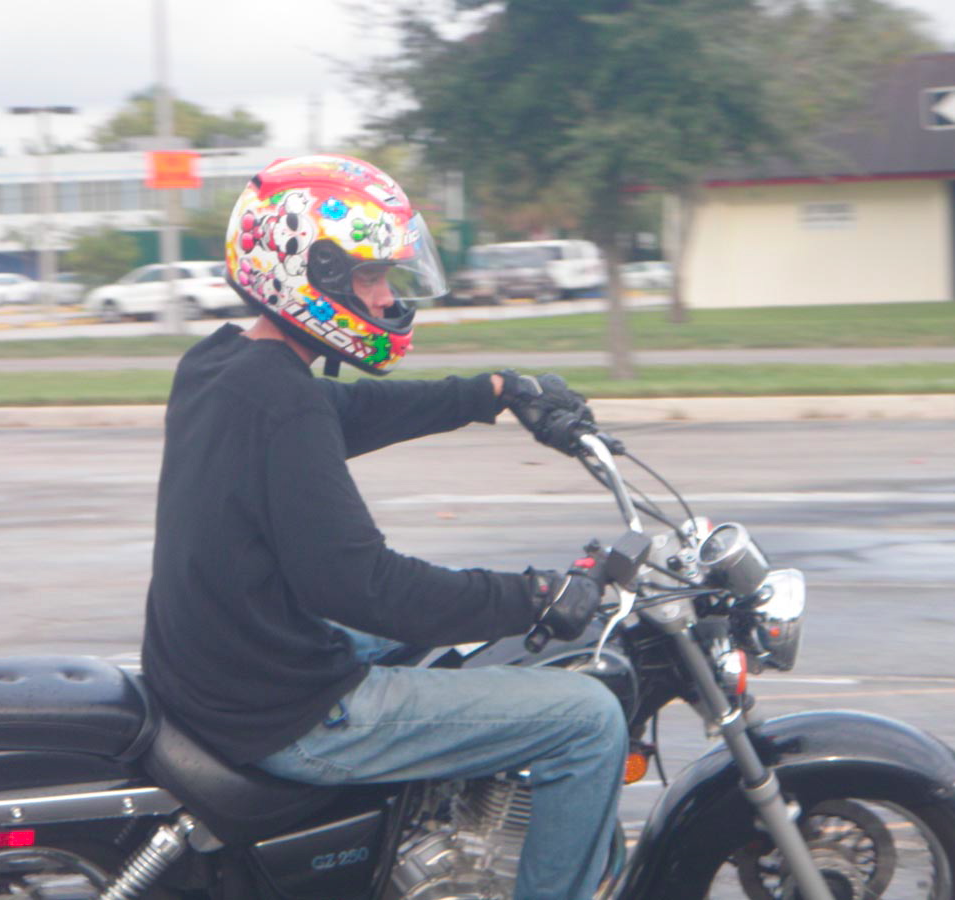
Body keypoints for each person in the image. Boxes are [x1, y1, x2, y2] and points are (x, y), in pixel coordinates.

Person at [141, 154, 628, 900]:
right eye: (371, 277)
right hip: (281, 708)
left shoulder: (220, 366)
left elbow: (348, 411)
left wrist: (494, 392)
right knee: (587, 718)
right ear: (313, 274)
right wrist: (534, 596)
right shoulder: (282, 403)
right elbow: (363, 587)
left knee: (458, 647)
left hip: (225, 661)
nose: (388, 296)